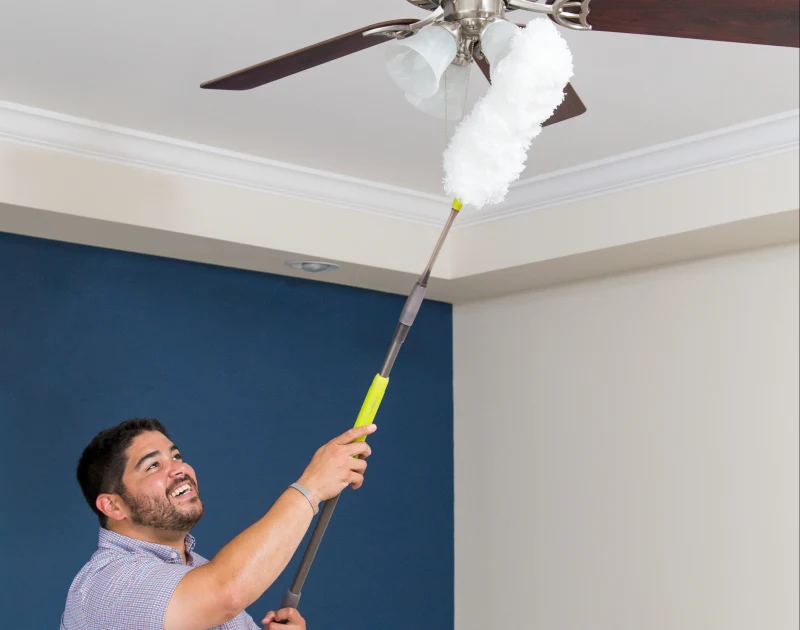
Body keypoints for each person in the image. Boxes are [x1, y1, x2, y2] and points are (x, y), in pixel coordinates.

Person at [60, 417, 376, 629]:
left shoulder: (196, 571)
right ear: (113, 506)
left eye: (176, 455)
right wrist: (312, 488)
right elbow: (227, 592)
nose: (178, 469)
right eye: (153, 465)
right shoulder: (106, 585)